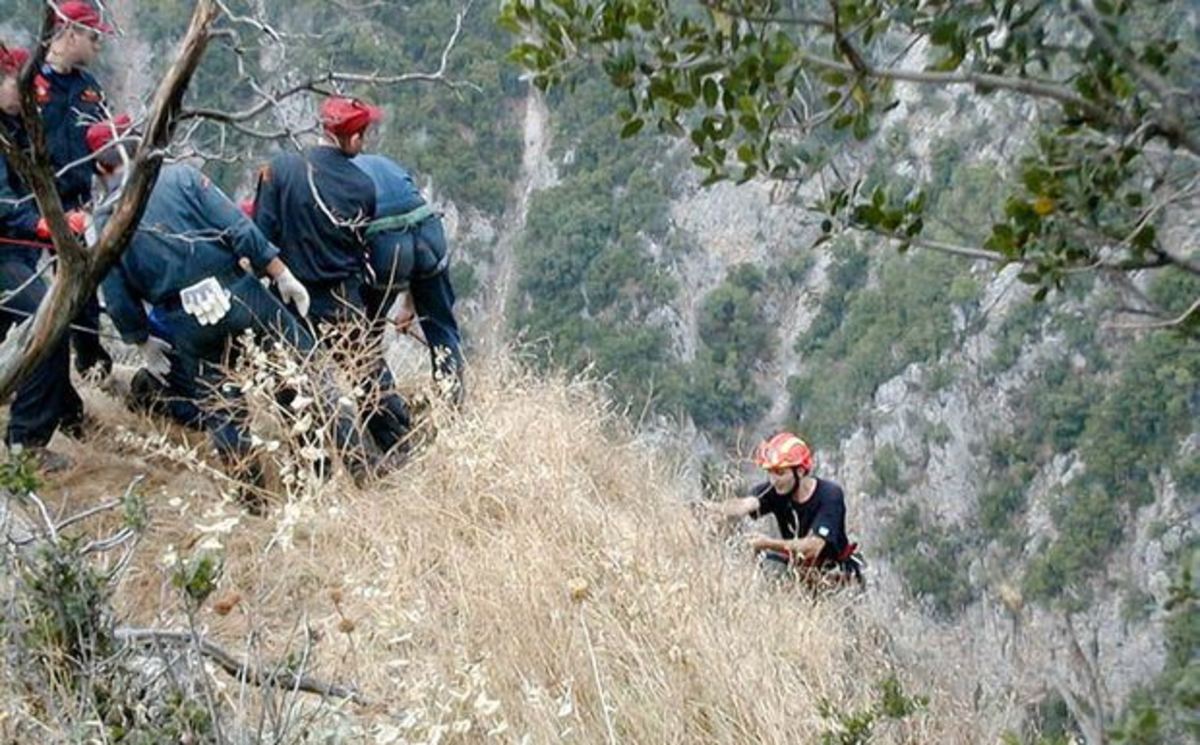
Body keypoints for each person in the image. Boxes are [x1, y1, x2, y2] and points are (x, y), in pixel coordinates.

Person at [87, 117, 372, 494]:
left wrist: (140, 339)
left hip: (184, 317)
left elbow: (116, 291)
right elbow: (237, 226)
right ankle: (355, 472)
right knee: (306, 375)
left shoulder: (105, 219)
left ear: (101, 167)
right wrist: (280, 271)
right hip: (238, 292)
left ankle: (254, 499)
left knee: (225, 410)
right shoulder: (181, 178)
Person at [253, 95, 412, 457]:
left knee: (293, 386)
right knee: (367, 376)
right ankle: (399, 448)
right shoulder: (361, 186)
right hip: (342, 299)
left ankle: (315, 463)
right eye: (363, 134)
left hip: (290, 300)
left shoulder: (278, 170)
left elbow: (261, 239)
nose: (365, 142)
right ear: (352, 139)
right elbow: (360, 247)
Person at [0, 44, 86, 471]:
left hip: (13, 249)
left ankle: (63, 414)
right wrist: (43, 223)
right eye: (21, 89)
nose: (29, 99)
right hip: (5, 254)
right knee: (47, 326)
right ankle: (26, 444)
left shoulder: (14, 127)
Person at [38, 0, 115, 377]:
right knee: (26, 289)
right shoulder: (27, 80)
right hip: (32, 201)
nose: (98, 45)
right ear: (69, 33)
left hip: (79, 202)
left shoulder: (90, 89)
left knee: (83, 284)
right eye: (93, 36)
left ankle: (90, 362)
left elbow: (104, 140)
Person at [354, 153, 464, 405]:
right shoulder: (385, 163)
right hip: (428, 232)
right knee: (442, 331)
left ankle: (389, 415)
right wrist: (408, 305)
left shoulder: (341, 175)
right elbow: (411, 226)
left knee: (365, 338)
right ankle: (452, 411)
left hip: (386, 246)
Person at [705, 432, 864, 587]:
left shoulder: (830, 495)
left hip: (835, 578)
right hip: (801, 574)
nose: (774, 481)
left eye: (780, 473)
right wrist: (713, 509)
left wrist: (767, 543)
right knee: (764, 564)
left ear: (800, 471)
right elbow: (745, 505)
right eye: (770, 473)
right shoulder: (776, 491)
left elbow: (813, 548)